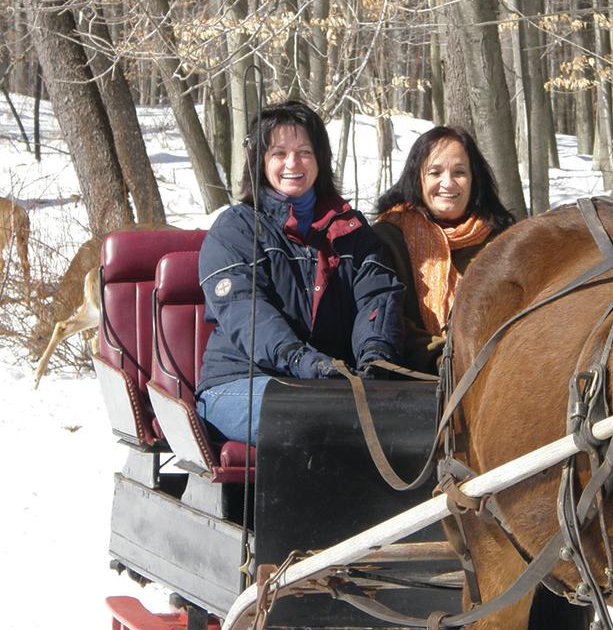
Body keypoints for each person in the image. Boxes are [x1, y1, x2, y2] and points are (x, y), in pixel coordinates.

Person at [196, 100, 404, 445]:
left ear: (320, 160)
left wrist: (375, 359)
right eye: (279, 153)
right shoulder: (236, 228)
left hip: (328, 388)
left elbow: (377, 297)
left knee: (406, 418)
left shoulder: (352, 231)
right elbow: (245, 311)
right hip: (238, 383)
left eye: (304, 152)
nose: (292, 163)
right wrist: (302, 360)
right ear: (261, 162)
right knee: (314, 417)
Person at [374, 126, 515, 372]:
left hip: (491, 374)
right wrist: (445, 360)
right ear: (417, 178)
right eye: (435, 172)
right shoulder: (387, 237)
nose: (447, 183)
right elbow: (388, 316)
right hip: (408, 379)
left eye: (459, 172)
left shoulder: (504, 242)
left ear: (474, 179)